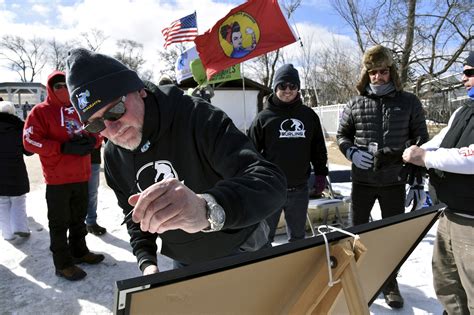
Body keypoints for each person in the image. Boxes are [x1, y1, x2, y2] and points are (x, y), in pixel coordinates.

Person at [65, 48, 287, 275]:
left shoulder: (196, 116)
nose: (112, 130)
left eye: (115, 111)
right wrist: (147, 261)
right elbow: (135, 216)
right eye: (95, 124)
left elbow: (269, 182)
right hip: (185, 259)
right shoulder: (113, 155)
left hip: (241, 246)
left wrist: (207, 209)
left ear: (139, 90)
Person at [336, 45, 429, 309]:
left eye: (383, 72)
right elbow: (342, 135)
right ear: (367, 74)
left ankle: (390, 283)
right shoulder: (355, 103)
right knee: (355, 235)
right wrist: (351, 151)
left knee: (390, 238)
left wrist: (418, 179)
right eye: (373, 72)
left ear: (392, 73)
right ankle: (356, 281)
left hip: (394, 181)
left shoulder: (408, 101)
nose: (378, 77)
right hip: (362, 182)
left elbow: (421, 140)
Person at [402, 51, 474, 315]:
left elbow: (471, 156)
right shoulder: (463, 110)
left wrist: (426, 158)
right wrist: (414, 151)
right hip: (450, 214)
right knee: (447, 285)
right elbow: (441, 141)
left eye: (469, 72)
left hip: (472, 223)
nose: (464, 79)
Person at [23, 71, 104, 281]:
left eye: (65, 84)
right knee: (59, 224)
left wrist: (93, 142)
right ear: (50, 88)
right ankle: (63, 264)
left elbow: (98, 130)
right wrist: (61, 147)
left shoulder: (81, 108)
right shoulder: (40, 111)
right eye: (57, 85)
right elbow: (29, 141)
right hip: (57, 179)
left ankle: (79, 252)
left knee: (78, 219)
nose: (62, 89)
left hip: (82, 175)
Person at [248, 64, 328, 243]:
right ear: (275, 87)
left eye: (293, 86)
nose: (287, 90)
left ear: (298, 88)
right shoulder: (263, 118)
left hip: (299, 189)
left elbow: (318, 149)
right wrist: (253, 181)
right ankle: (266, 269)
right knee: (263, 239)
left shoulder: (309, 116)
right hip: (271, 189)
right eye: (283, 86)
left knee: (298, 238)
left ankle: (296, 269)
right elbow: (250, 153)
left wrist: (321, 174)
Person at [0, 101, 32, 240]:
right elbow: (28, 151)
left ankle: (7, 234)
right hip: (16, 170)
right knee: (18, 199)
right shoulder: (20, 127)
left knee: (2, 203)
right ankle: (20, 227)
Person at [85, 142, 107, 236]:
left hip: (92, 158)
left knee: (92, 193)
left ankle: (91, 222)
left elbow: (101, 132)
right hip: (70, 158)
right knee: (72, 195)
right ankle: (73, 228)